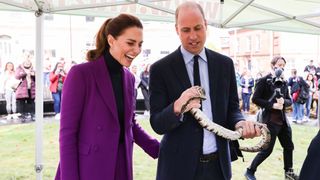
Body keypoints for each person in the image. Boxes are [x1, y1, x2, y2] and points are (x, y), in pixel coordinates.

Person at [149, 2, 261, 180]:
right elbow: (157, 124)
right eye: (186, 30)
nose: (193, 36)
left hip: (218, 168)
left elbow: (232, 108)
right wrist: (178, 106)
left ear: (206, 25)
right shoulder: (160, 69)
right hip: (177, 169)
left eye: (198, 28)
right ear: (176, 30)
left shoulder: (224, 65)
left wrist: (240, 123)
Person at [55, 13, 159, 180]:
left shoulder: (129, 78)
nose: (137, 50)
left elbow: (129, 123)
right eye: (130, 43)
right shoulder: (80, 74)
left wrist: (158, 148)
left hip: (121, 167)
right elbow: (67, 134)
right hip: (87, 168)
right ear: (111, 40)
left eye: (140, 44)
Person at [244, 56, 299, 180]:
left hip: (283, 121)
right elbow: (255, 99)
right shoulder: (264, 80)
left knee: (289, 146)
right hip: (270, 121)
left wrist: (283, 102)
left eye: (283, 65)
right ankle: (250, 171)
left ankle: (289, 174)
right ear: (272, 65)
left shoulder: (284, 82)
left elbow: (289, 100)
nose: (281, 67)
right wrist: (271, 105)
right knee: (267, 150)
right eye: (279, 65)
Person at [15, 56, 36, 122]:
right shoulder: (19, 68)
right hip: (22, 89)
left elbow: (36, 79)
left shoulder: (33, 69)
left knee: (31, 103)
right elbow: (17, 76)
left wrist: (33, 75)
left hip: (31, 89)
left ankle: (33, 115)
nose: (28, 64)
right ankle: (23, 116)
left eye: (29, 63)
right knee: (22, 103)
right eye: (26, 63)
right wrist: (24, 73)